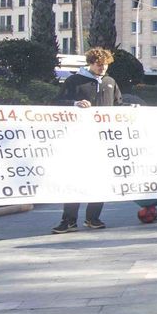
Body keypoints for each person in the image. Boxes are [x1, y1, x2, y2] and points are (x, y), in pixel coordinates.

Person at [51, 47, 121, 234]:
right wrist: (75, 104)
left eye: (105, 65)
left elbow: (118, 106)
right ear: (91, 63)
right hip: (78, 140)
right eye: (99, 65)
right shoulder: (74, 81)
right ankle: (69, 220)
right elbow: (56, 103)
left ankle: (93, 218)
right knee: (76, 179)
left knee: (100, 180)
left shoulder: (110, 82)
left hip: (103, 140)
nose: (103, 69)